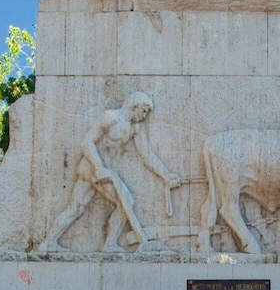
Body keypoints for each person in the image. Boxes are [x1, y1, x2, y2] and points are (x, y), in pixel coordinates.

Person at [41, 92, 182, 253]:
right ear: (135, 106)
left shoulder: (135, 128)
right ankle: (108, 244)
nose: (144, 116)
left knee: (77, 208)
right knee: (124, 201)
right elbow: (87, 142)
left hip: (106, 172)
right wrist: (98, 167)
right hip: (92, 167)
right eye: (143, 111)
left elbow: (146, 154)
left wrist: (165, 175)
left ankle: (49, 242)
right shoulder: (110, 118)